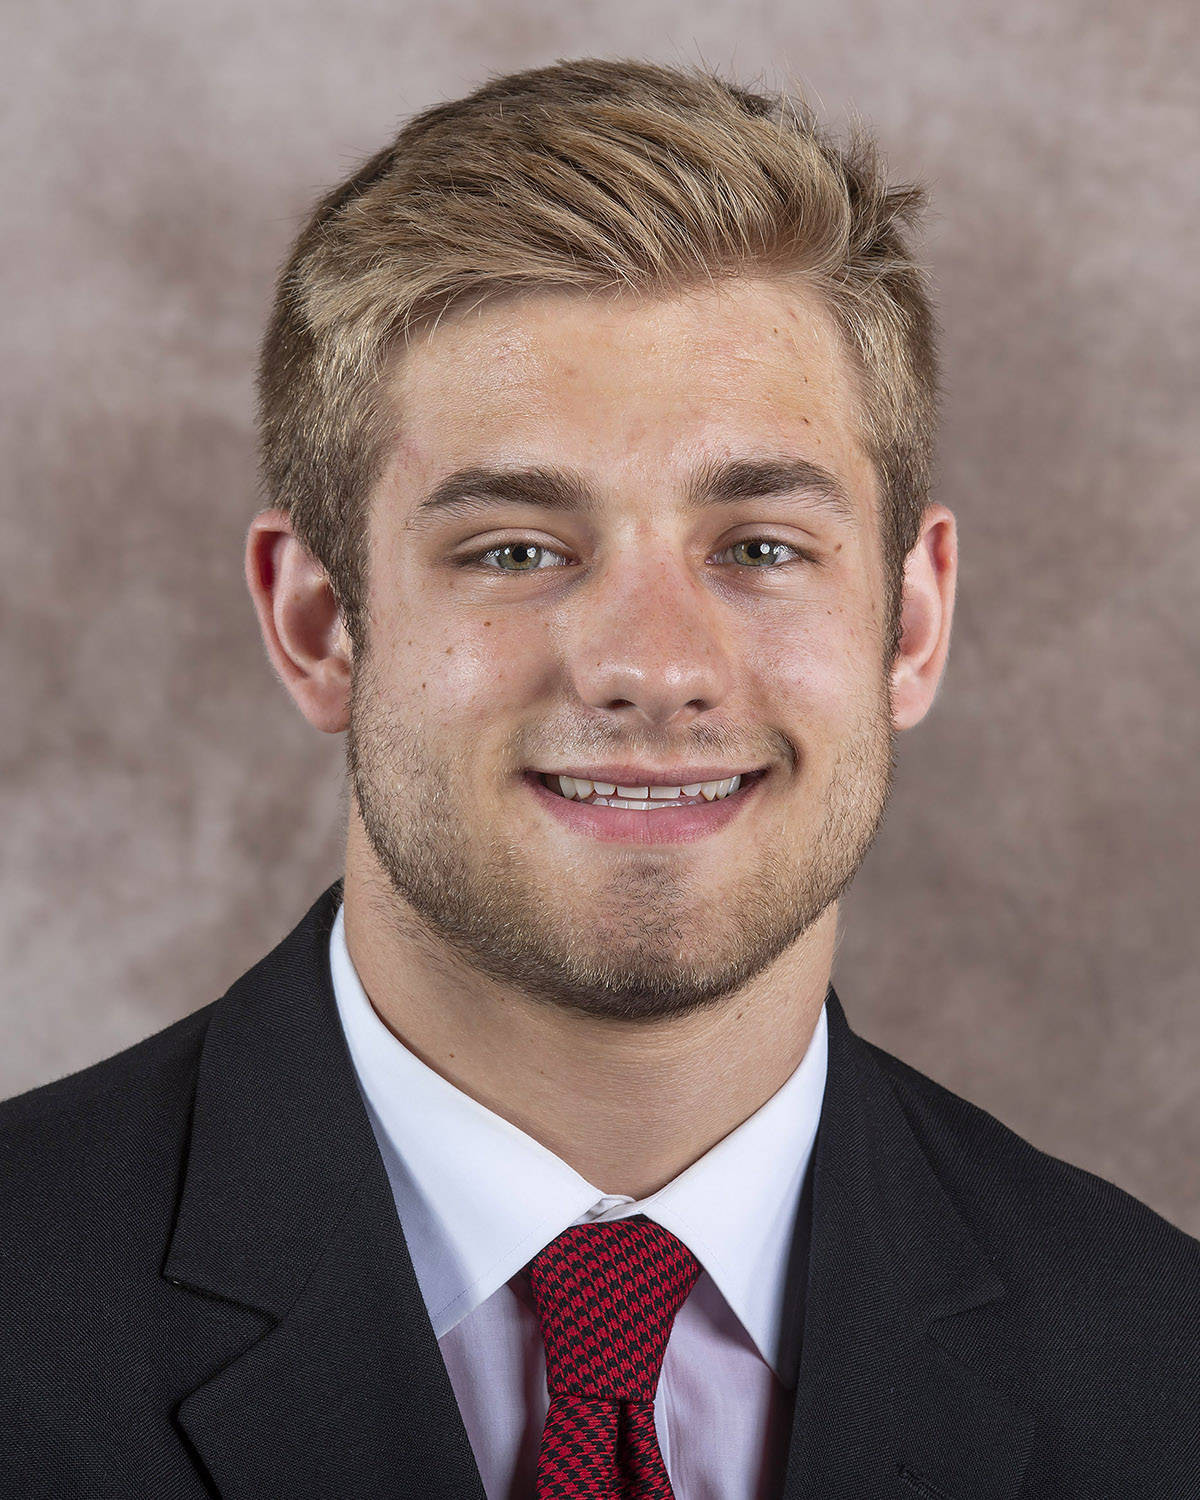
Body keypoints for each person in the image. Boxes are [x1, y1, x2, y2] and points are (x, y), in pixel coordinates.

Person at [2, 56, 1196, 1500]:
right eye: (515, 549)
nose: (653, 666)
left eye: (760, 547)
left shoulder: (1160, 1375)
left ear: (913, 621)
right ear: (318, 623)